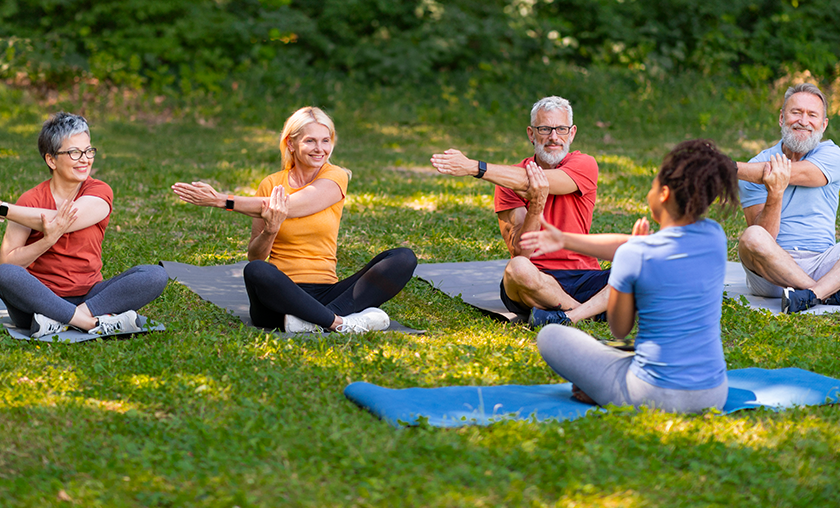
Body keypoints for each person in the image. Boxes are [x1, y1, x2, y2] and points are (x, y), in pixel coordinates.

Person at [521, 139, 738, 413]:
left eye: (653, 185)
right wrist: (564, 238)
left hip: (649, 394)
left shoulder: (635, 256)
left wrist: (629, 267)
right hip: (713, 394)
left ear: (664, 194)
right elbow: (647, 245)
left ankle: (600, 390)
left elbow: (619, 329)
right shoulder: (715, 237)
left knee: (550, 336)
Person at [172, 106, 417, 333]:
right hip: (280, 295)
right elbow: (255, 256)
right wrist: (271, 230)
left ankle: (324, 320)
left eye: (325, 140)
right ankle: (343, 323)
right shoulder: (271, 183)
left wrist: (221, 200)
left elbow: (290, 206)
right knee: (257, 270)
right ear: (291, 144)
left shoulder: (335, 176)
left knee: (403, 258)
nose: (320, 149)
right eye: (310, 141)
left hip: (328, 292)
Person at [431, 96, 609, 327]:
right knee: (517, 268)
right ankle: (587, 313)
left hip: (585, 275)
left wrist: (475, 167)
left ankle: (565, 314)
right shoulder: (507, 180)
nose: (554, 137)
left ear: (572, 133)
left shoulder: (584, 164)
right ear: (531, 133)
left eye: (561, 129)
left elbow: (537, 181)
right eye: (545, 129)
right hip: (535, 278)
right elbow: (521, 251)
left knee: (644, 267)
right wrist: (536, 206)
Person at [0, 112, 169, 338]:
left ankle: (70, 320)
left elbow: (69, 220)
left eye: (89, 150)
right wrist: (47, 241)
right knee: (5, 273)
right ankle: (88, 323)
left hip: (91, 298)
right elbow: (8, 263)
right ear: (51, 160)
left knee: (155, 275)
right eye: (74, 152)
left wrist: (6, 210)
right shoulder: (29, 201)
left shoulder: (99, 191)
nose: (85, 159)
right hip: (37, 304)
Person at [736, 83, 840, 313]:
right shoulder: (752, 167)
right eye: (796, 112)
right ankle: (823, 292)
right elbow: (764, 237)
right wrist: (775, 192)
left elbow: (800, 173)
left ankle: (810, 295)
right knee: (752, 236)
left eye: (812, 115)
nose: (803, 121)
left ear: (823, 125)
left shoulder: (832, 154)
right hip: (772, 272)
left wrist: (729, 167)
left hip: (823, 262)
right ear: (782, 118)